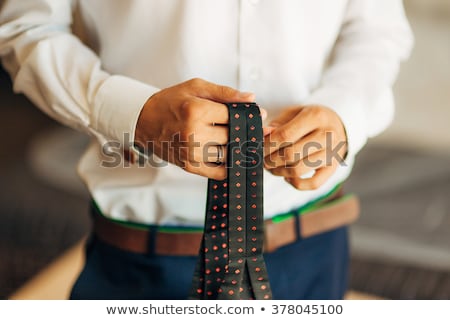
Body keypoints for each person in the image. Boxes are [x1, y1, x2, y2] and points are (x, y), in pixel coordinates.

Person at [0, 1, 413, 299]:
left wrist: (345, 113)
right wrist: (133, 114)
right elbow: (27, 30)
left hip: (313, 246)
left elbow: (376, 30)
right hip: (144, 261)